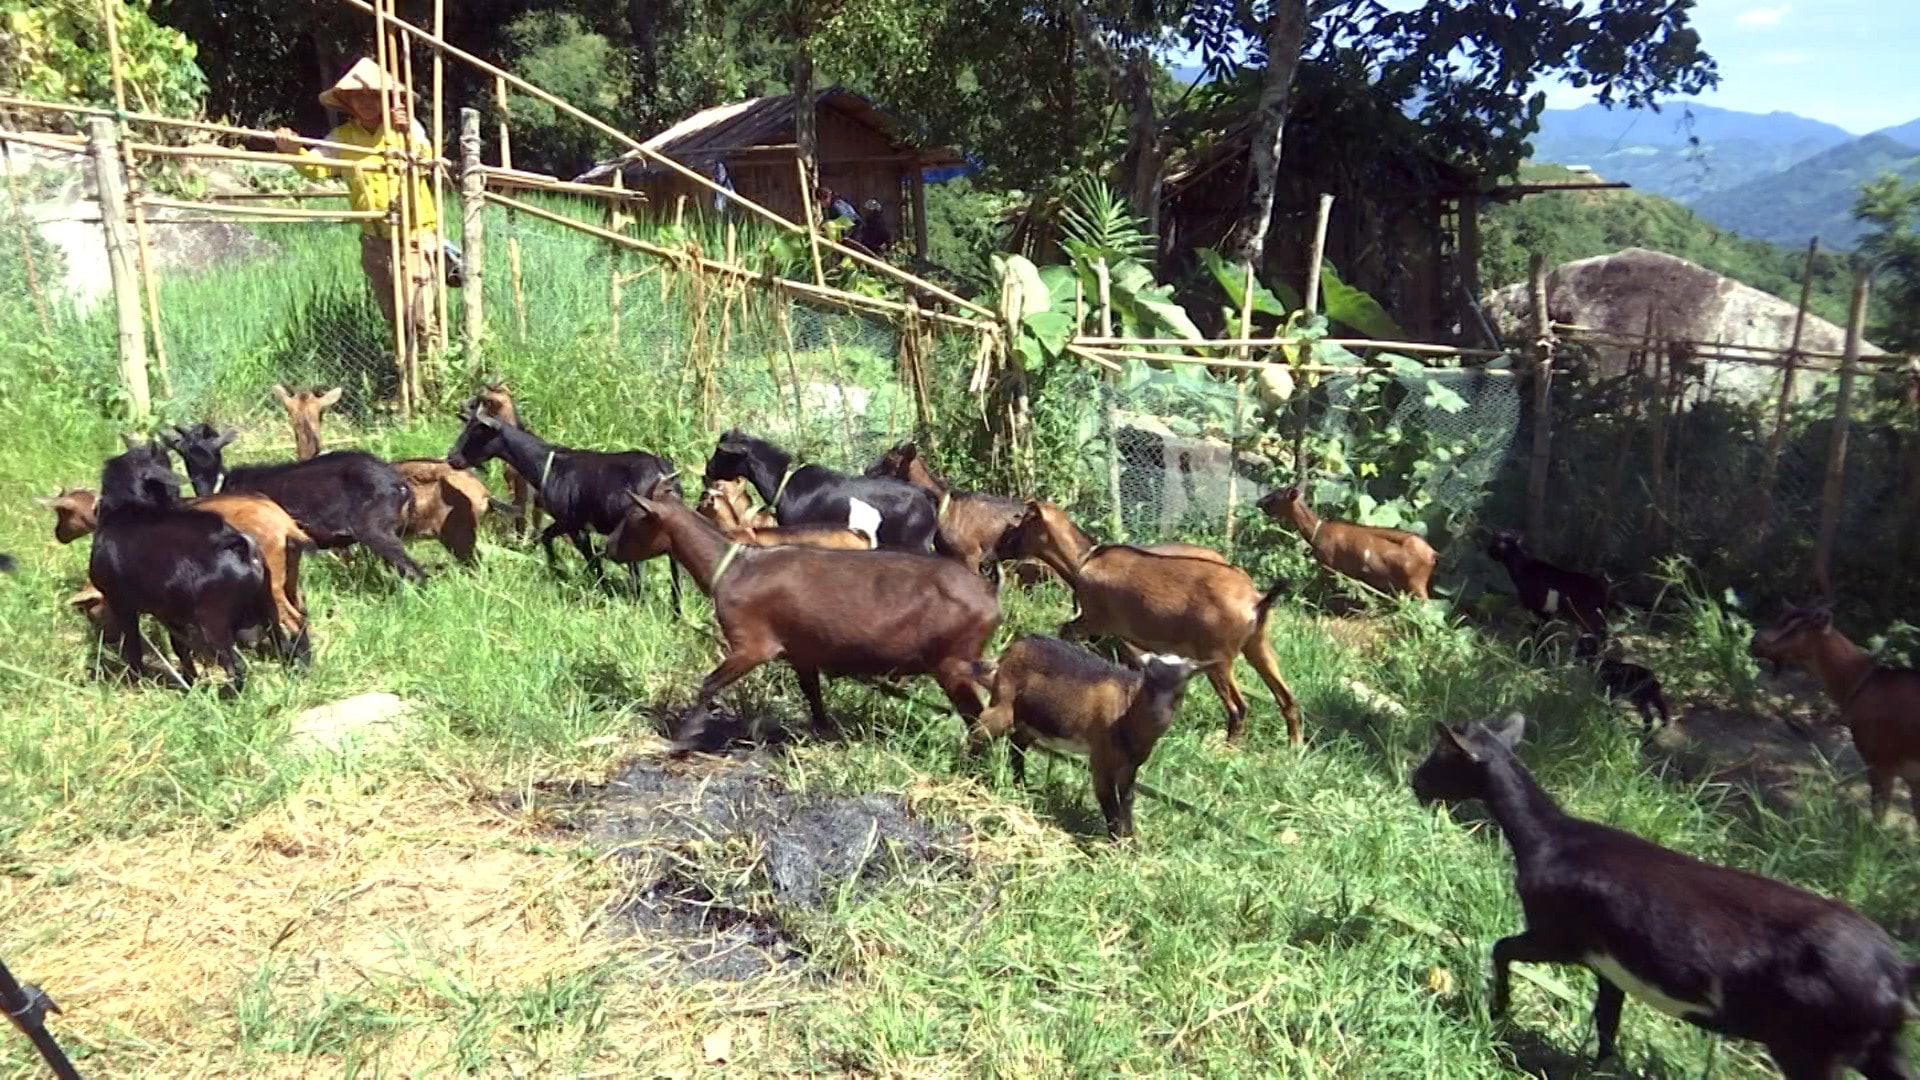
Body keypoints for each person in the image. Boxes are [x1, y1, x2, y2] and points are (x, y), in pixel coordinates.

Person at [273, 57, 441, 368]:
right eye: (358, 96)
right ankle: (405, 378)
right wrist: (291, 150)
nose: (366, 102)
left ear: (386, 99)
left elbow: (426, 160)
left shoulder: (407, 129)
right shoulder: (343, 137)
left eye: (374, 95)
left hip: (414, 234)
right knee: (394, 315)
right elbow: (316, 167)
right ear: (347, 102)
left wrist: (405, 135)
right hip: (375, 239)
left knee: (419, 312)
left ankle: (433, 377)